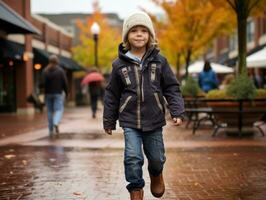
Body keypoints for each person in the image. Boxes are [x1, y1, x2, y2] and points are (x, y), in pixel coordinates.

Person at [103, 11, 185, 200]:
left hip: (154, 120)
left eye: (143, 31)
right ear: (127, 37)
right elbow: (112, 94)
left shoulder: (160, 61)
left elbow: (171, 87)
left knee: (156, 158)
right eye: (134, 31)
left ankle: (156, 174)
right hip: (130, 121)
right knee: (133, 157)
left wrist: (177, 110)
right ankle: (136, 190)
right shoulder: (119, 65)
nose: (139, 34)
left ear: (150, 36)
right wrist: (109, 120)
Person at [40, 55, 68, 139]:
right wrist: (66, 92)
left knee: (49, 111)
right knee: (59, 109)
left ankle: (50, 129)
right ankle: (56, 122)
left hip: (48, 94)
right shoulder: (60, 71)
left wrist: (42, 91)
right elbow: (65, 82)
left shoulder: (45, 71)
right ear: (57, 62)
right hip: (57, 94)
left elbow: (41, 83)